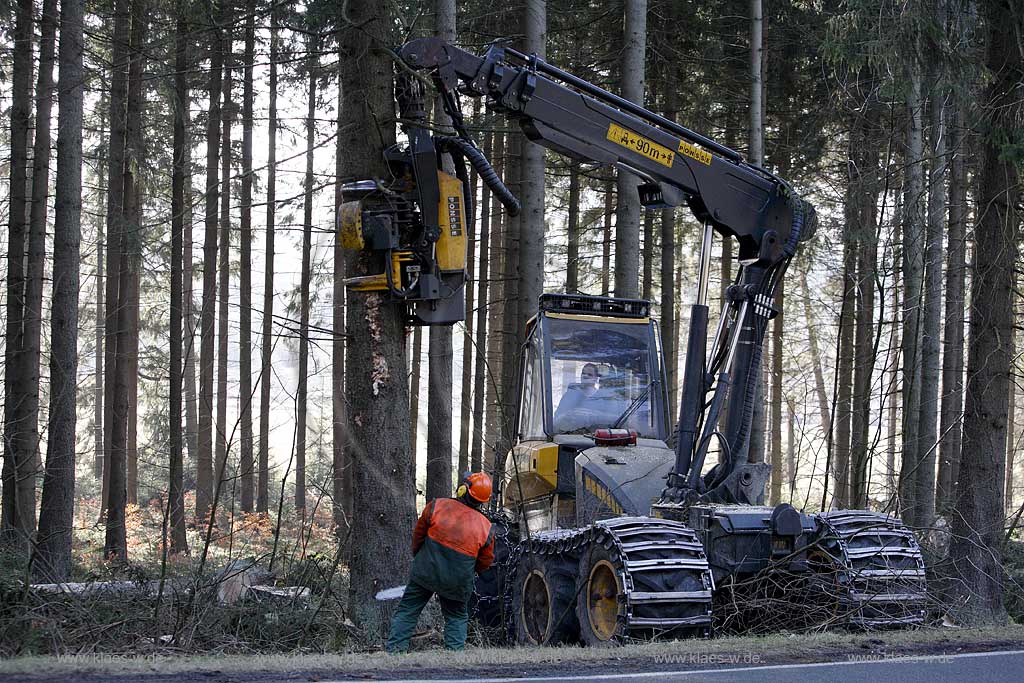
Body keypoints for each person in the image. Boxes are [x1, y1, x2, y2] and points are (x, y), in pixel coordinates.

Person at [385, 472, 495, 652]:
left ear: (462, 490)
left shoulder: (437, 506)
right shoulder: (486, 527)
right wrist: (465, 569)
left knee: (408, 610)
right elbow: (485, 562)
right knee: (456, 616)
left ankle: (395, 651)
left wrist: (419, 559)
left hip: (426, 571)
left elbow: (418, 535)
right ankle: (454, 659)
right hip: (458, 581)